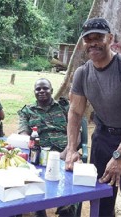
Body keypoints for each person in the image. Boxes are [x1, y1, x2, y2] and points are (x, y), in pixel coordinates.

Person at [64, 17, 121, 217]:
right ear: (83, 43)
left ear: (110, 38)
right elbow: (75, 112)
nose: (93, 43)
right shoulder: (82, 73)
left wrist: (119, 155)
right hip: (103, 138)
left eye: (99, 37)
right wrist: (71, 149)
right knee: (102, 196)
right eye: (88, 39)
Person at [17, 78, 79, 217]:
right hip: (40, 154)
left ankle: (67, 210)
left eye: (45, 88)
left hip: (65, 151)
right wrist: (36, 154)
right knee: (34, 183)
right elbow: (23, 133)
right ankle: (40, 210)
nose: (41, 91)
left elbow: (76, 131)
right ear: (34, 92)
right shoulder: (27, 111)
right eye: (38, 89)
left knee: (72, 187)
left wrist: (68, 150)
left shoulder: (64, 107)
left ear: (51, 90)